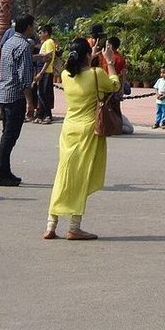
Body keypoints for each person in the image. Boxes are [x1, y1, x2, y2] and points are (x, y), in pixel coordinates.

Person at [43, 35, 121, 240]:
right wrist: (110, 61)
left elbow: (80, 72)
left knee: (63, 174)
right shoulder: (96, 73)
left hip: (69, 129)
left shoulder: (67, 76)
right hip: (88, 130)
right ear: (88, 55)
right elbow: (114, 84)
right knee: (82, 176)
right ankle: (74, 227)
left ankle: (51, 224)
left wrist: (90, 57)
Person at [0, 12, 38, 187]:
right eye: (33, 26)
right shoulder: (24, 46)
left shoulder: (9, 43)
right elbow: (25, 77)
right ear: (28, 27)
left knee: (7, 134)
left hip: (3, 94)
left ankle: (4, 170)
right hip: (15, 96)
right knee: (10, 136)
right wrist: (30, 103)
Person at [33, 22, 58, 125]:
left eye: (41, 32)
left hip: (46, 71)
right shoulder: (45, 43)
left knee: (43, 94)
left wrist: (41, 73)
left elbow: (48, 58)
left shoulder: (49, 42)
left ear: (46, 33)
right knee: (41, 94)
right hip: (43, 71)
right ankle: (40, 114)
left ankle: (48, 115)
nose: (39, 35)